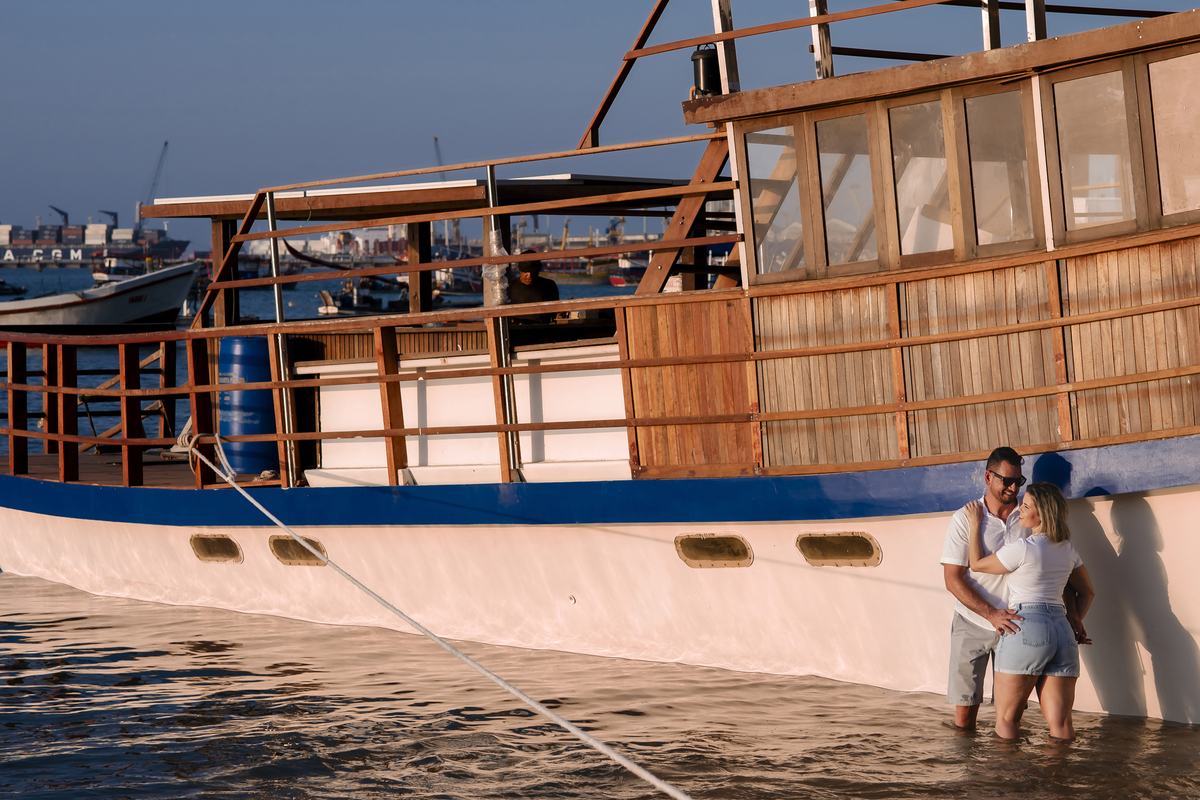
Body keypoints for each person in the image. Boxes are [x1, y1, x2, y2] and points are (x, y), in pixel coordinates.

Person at [965, 482, 1095, 740]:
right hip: (1062, 632)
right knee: (1062, 725)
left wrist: (973, 524)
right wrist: (1076, 619)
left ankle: (1011, 781)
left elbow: (977, 565)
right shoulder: (1068, 549)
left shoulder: (1024, 548)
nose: (1020, 510)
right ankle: (1060, 778)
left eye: (1025, 506)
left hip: (1026, 626)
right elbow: (1087, 592)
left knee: (1006, 720)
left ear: (1042, 514)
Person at [940, 446, 1030, 731]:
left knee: (1011, 717)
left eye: (1019, 481)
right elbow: (952, 579)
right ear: (988, 477)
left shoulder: (1029, 516)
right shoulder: (964, 519)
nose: (1013, 487)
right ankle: (968, 773)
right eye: (1007, 480)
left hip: (1016, 625)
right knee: (965, 717)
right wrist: (990, 613)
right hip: (973, 623)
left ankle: (1007, 773)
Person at [507, 251, 559, 322]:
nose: (529, 275)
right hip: (516, 330)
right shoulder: (509, 287)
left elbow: (556, 312)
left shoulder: (549, 286)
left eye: (533, 272)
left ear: (539, 269)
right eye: (526, 272)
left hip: (543, 329)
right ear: (518, 268)